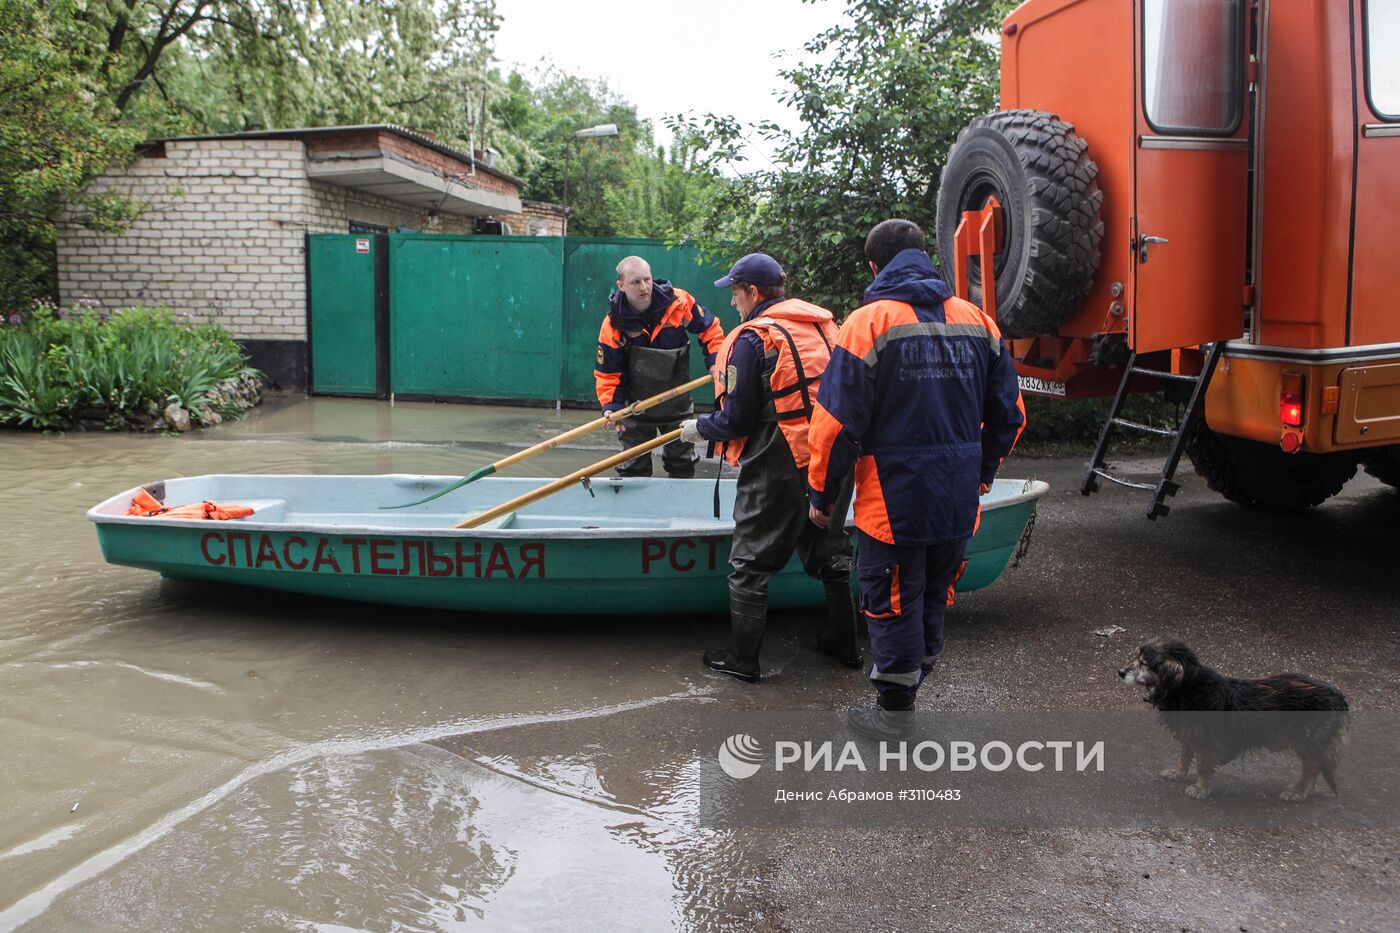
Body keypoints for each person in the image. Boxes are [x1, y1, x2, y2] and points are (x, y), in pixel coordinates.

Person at [807, 220, 1025, 739]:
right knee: (930, 594)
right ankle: (910, 683)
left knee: (891, 602)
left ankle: (894, 715)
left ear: (874, 267)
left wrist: (822, 492)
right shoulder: (978, 321)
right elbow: (1011, 414)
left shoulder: (867, 323)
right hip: (956, 497)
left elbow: (835, 426)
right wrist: (983, 471)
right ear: (923, 257)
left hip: (893, 498)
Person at [679, 253, 862, 683]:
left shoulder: (752, 339)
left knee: (749, 563)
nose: (733, 304)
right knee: (831, 554)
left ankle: (742, 661)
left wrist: (699, 428)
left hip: (780, 462)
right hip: (831, 458)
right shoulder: (823, 328)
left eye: (736, 293)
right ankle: (847, 646)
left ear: (754, 293)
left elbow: (736, 421)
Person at [595, 256, 725, 478]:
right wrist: (611, 406)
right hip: (635, 408)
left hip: (677, 403)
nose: (644, 287)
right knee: (633, 468)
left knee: (682, 464)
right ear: (621, 285)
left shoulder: (678, 303)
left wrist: (716, 362)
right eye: (635, 282)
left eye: (647, 279)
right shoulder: (614, 324)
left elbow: (710, 330)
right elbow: (608, 372)